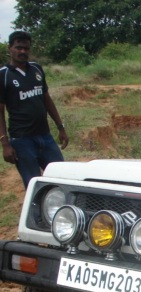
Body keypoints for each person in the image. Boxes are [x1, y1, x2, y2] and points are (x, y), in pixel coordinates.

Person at [0, 30, 68, 188]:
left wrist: (61, 127)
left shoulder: (36, 69)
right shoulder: (3, 76)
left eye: (26, 48)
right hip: (22, 140)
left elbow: (47, 99)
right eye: (18, 47)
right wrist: (5, 144)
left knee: (62, 178)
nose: (22, 51)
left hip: (45, 136)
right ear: (10, 48)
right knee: (34, 185)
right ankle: (37, 213)